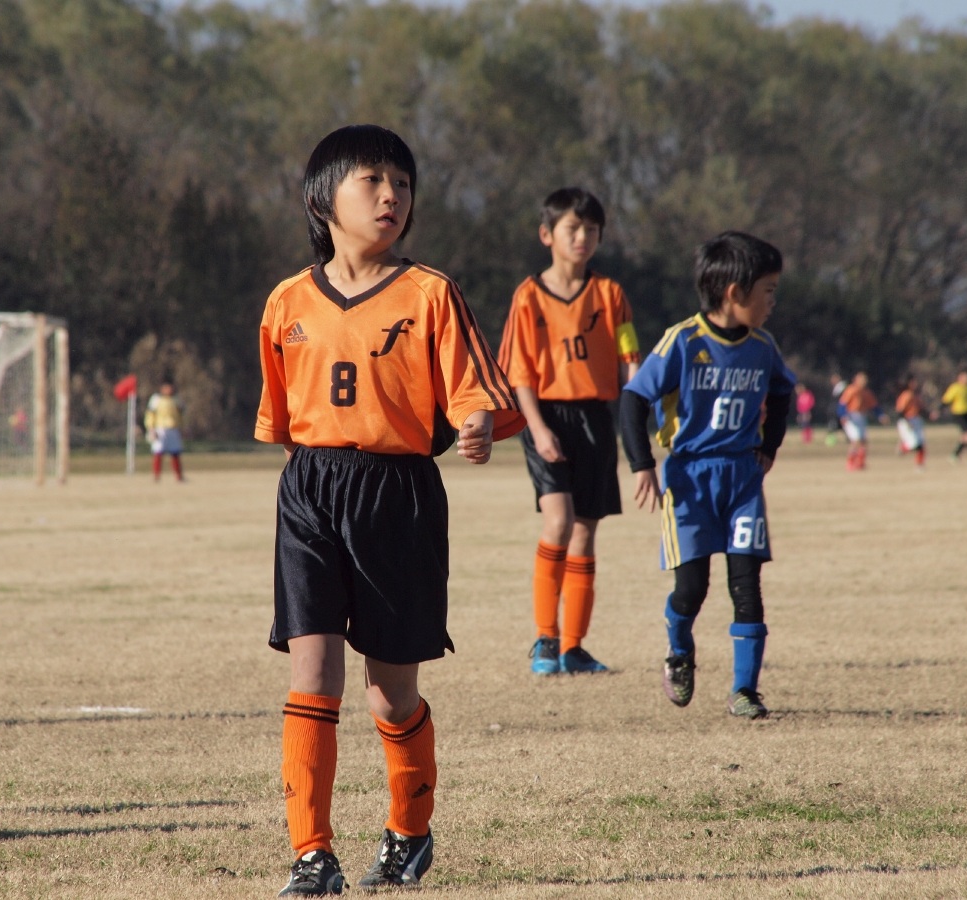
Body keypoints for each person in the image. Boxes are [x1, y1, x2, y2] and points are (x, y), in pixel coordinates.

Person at [254, 124, 524, 897]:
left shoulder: (430, 292)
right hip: (310, 490)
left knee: (389, 691)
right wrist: (318, 475)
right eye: (371, 180)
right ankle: (312, 855)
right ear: (322, 199)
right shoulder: (286, 302)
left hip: (398, 495)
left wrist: (475, 424)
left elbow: (472, 390)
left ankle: (409, 830)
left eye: (402, 183)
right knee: (313, 672)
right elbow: (283, 422)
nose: (390, 195)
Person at [619, 231, 796, 721]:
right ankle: (679, 648)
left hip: (742, 480)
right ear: (734, 292)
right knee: (692, 589)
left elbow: (783, 392)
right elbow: (633, 399)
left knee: (747, 584)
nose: (772, 302)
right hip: (690, 480)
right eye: (768, 291)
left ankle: (745, 691)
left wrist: (769, 447)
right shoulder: (683, 341)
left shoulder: (763, 346)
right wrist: (642, 465)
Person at [497, 187, 641, 676]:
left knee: (585, 530)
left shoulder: (611, 294)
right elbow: (519, 373)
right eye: (572, 228)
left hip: (596, 418)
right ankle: (545, 639)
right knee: (558, 520)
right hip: (547, 416)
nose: (583, 237)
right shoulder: (528, 296)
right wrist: (538, 429)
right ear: (547, 234)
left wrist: (640, 404)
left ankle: (574, 647)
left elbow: (630, 358)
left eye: (592, 230)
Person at [144, 379, 185, 482]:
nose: (168, 390)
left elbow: (180, 415)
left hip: (173, 429)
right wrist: (151, 428)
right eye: (166, 388)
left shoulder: (176, 399)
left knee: (175, 452)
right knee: (158, 452)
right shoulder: (156, 399)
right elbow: (150, 414)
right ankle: (156, 476)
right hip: (160, 429)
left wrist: (181, 427)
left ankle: (179, 476)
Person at [838, 372, 878, 471]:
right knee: (855, 441)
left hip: (862, 416)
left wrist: (880, 415)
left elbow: (873, 405)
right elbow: (842, 404)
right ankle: (850, 462)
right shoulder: (851, 390)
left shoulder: (866, 392)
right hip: (851, 416)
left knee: (863, 441)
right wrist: (843, 416)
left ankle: (860, 462)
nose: (864, 382)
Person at [941, 371, 967, 461]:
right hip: (958, 414)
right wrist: (939, 410)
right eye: (965, 377)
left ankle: (955, 455)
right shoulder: (955, 387)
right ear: (960, 378)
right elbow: (946, 400)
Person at [894, 375, 926, 469]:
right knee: (914, 444)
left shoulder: (915, 395)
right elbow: (900, 411)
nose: (915, 384)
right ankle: (902, 448)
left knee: (921, 444)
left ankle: (919, 465)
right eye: (913, 382)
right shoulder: (906, 395)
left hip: (916, 420)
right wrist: (907, 422)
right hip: (907, 420)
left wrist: (929, 415)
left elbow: (921, 408)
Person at [823, 373, 846, 446]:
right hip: (833, 410)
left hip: (839, 410)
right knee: (833, 425)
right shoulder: (835, 388)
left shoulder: (843, 387)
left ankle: (851, 439)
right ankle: (831, 440)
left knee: (842, 425)